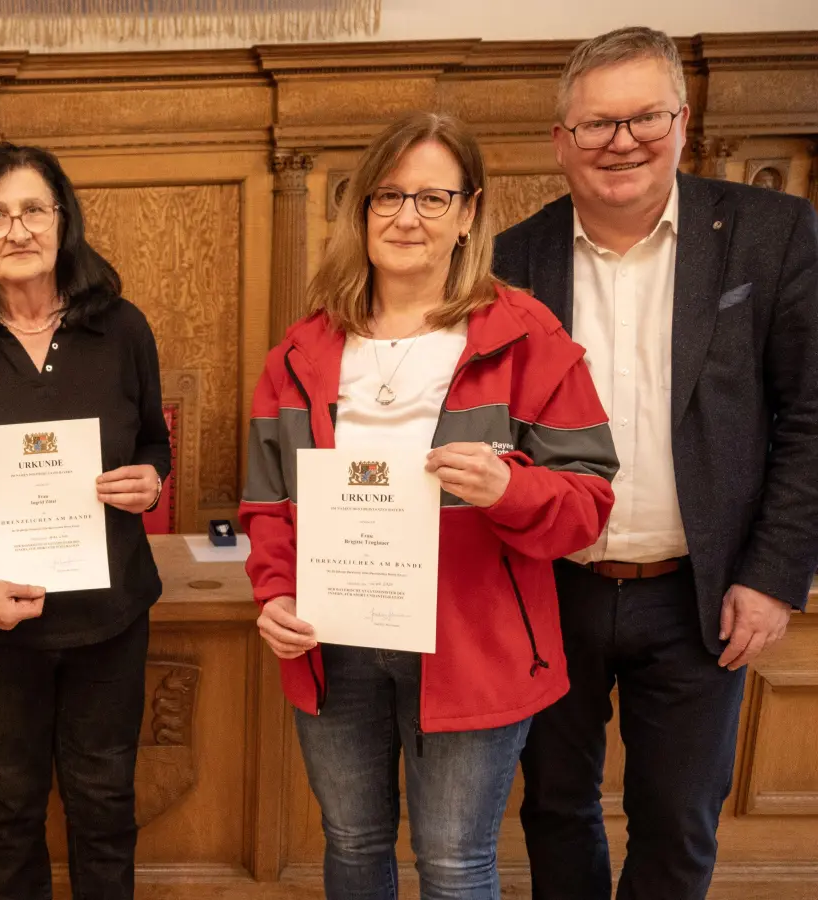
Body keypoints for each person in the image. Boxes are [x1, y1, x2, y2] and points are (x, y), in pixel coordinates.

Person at [241, 112, 618, 900]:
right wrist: (274, 594)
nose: (406, 217)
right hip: (334, 640)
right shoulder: (300, 352)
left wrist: (509, 488)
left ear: (469, 213)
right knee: (351, 842)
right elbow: (270, 502)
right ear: (361, 210)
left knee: (453, 862)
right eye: (387, 196)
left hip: (472, 643)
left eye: (432, 199)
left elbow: (588, 500)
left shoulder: (527, 336)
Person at [494, 26, 818, 900]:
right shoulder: (510, 259)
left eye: (644, 117)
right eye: (597, 124)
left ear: (683, 119)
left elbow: (811, 416)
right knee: (555, 809)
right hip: (548, 587)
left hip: (700, 593)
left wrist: (775, 574)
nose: (622, 142)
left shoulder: (771, 234)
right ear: (561, 142)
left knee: (676, 822)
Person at [0, 142, 170, 900]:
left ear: (63, 220)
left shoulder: (121, 329)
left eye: (34, 210)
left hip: (108, 621)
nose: (18, 230)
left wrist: (152, 479)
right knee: (10, 810)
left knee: (105, 805)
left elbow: (152, 443)